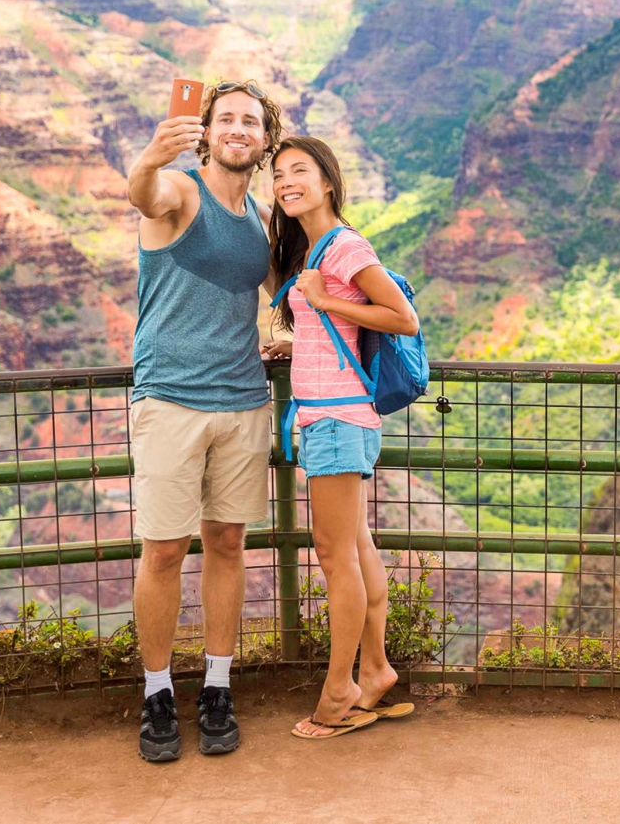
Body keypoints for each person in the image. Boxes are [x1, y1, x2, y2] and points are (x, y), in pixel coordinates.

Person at [126, 79, 285, 761]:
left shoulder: (260, 221)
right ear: (207, 131)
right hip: (170, 398)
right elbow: (144, 196)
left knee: (227, 543)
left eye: (251, 121)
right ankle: (157, 692)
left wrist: (288, 337)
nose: (238, 129)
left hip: (243, 400)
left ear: (264, 139)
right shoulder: (181, 191)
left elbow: (287, 293)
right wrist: (149, 158)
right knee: (164, 549)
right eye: (226, 119)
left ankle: (217, 685)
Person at [261, 135, 419, 739]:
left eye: (299, 171)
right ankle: (375, 670)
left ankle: (339, 691)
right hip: (336, 416)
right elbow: (334, 331)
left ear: (327, 181)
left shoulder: (345, 247)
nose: (286, 183)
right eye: (279, 175)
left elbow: (402, 318)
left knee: (335, 558)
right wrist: (297, 343)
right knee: (356, 549)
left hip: (336, 422)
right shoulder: (314, 248)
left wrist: (326, 299)